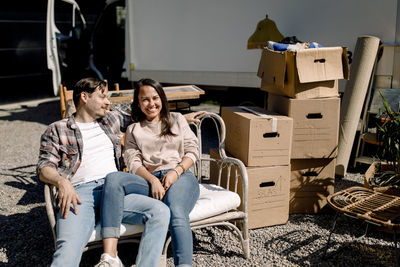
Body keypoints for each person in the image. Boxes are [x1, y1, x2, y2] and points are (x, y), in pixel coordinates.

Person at [37, 77, 203, 267]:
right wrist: (61, 182)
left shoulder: (111, 119)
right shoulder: (57, 129)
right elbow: (43, 167)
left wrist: (180, 117)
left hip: (117, 189)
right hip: (80, 194)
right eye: (102, 97)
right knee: (67, 248)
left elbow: (149, 115)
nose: (108, 102)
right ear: (84, 97)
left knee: (160, 212)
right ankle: (110, 257)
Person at [100, 78, 200, 267]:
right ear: (138, 103)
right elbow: (133, 162)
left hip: (180, 176)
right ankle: (110, 255)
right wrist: (153, 180)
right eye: (145, 99)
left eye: (155, 98)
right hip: (148, 179)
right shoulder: (133, 129)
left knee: (176, 211)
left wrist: (176, 172)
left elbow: (192, 151)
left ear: (162, 98)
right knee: (115, 179)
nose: (151, 103)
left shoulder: (177, 120)